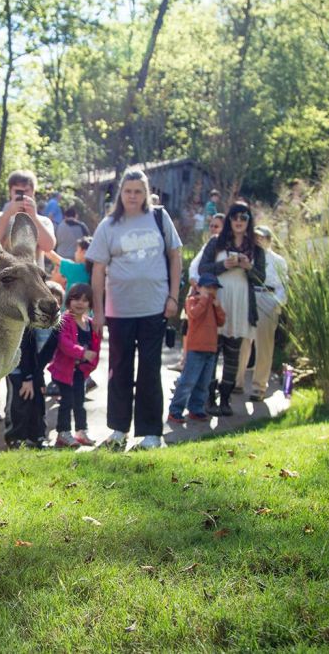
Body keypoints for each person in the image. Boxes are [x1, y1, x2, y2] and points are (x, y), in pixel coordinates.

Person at [86, 169, 182, 450]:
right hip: (119, 311)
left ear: (146, 193)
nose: (132, 196)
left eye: (138, 191)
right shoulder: (109, 225)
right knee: (120, 370)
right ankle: (118, 430)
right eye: (127, 191)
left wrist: (173, 297)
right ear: (120, 193)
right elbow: (97, 271)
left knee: (151, 370)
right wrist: (99, 311)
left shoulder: (159, 218)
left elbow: (175, 257)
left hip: (154, 307)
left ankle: (152, 434)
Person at [0, 169, 57, 421]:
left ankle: (31, 399)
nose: (22, 195)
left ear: (33, 192)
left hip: (32, 296)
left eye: (26, 192)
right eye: (17, 192)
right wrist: (9, 213)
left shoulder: (43, 220)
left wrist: (32, 216)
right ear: (9, 192)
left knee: (32, 351)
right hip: (3, 296)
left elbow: (48, 246)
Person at [198, 202, 266, 416]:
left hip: (241, 303)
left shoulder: (256, 249)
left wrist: (248, 267)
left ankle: (225, 399)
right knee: (211, 352)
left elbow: (260, 279)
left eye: (243, 218)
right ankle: (209, 397)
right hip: (218, 301)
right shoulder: (216, 243)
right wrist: (222, 266)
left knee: (233, 355)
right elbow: (202, 269)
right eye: (235, 217)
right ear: (229, 220)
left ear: (249, 221)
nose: (238, 222)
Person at [4, 281, 65, 449]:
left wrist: (37, 378)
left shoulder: (56, 327)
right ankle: (15, 437)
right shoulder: (29, 324)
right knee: (21, 400)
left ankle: (37, 436)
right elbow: (25, 351)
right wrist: (28, 378)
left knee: (38, 399)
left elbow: (44, 356)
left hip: (35, 370)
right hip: (19, 368)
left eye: (57, 302)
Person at [235, 225, 288, 401]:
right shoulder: (247, 255)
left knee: (264, 345)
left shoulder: (278, 260)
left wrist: (276, 303)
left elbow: (283, 285)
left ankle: (259, 386)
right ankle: (237, 382)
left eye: (262, 237)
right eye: (256, 237)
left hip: (267, 297)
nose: (258, 240)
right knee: (243, 340)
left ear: (269, 239)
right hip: (249, 296)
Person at [48, 283, 101, 447]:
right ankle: (63, 434)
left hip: (80, 372)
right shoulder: (65, 320)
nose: (80, 303)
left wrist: (90, 362)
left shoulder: (91, 323)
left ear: (90, 304)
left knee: (79, 402)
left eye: (85, 300)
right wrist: (82, 353)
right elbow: (65, 343)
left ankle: (81, 431)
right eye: (76, 299)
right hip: (64, 371)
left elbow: (96, 346)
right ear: (69, 301)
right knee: (67, 402)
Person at [167, 274, 225, 423]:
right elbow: (194, 314)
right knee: (187, 381)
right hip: (196, 348)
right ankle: (175, 410)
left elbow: (222, 321)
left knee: (203, 383)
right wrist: (204, 299)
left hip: (210, 349)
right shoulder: (192, 301)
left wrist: (218, 307)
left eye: (214, 288)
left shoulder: (213, 305)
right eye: (208, 287)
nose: (211, 291)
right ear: (198, 288)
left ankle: (196, 408)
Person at [172, 213, 225, 372]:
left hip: (204, 292)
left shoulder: (221, 247)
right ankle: (184, 360)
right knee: (186, 327)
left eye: (217, 226)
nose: (213, 229)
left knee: (197, 327)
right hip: (194, 290)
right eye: (211, 225)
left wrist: (201, 286)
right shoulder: (209, 244)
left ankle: (190, 364)